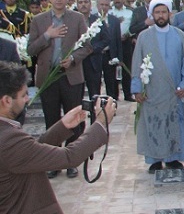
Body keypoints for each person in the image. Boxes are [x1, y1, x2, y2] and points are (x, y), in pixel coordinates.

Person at [0, 61, 116, 214]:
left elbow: (28, 154)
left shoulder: (7, 135)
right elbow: (69, 157)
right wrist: (101, 123)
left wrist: (62, 126)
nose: (27, 99)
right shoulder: (8, 139)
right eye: (23, 95)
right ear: (7, 101)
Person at [27, 0, 92, 179]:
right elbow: (30, 49)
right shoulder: (38, 20)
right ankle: (53, 162)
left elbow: (87, 46)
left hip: (70, 76)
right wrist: (48, 35)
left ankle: (71, 161)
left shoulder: (77, 18)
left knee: (74, 119)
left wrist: (73, 59)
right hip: (48, 77)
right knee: (52, 120)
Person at [131, 0, 184, 173]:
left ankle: (172, 158)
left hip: (174, 91)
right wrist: (137, 89)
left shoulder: (180, 35)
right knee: (154, 124)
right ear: (152, 15)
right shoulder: (144, 36)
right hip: (152, 91)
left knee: (174, 124)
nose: (160, 15)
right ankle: (154, 159)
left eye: (163, 12)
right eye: (157, 12)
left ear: (169, 14)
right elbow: (137, 63)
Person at [76, 0, 110, 99]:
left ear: (91, 5)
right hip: (77, 62)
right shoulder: (72, 21)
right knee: (77, 94)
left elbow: (106, 39)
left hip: (93, 61)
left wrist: (92, 49)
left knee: (94, 94)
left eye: (86, 2)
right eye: (80, 2)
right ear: (77, 5)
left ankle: (95, 109)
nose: (83, 5)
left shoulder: (98, 20)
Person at [97, 0, 123, 100]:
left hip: (110, 54)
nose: (104, 7)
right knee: (96, 81)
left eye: (106, 5)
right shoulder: (92, 19)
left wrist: (119, 58)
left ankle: (112, 101)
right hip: (96, 54)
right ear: (97, 6)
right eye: (102, 4)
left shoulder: (114, 20)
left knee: (111, 80)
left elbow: (118, 40)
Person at [109, 0, 134, 101]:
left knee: (126, 68)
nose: (117, 1)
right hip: (113, 44)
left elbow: (133, 26)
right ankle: (114, 95)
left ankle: (128, 94)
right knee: (113, 69)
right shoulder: (109, 12)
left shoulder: (130, 11)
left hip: (126, 42)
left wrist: (129, 34)